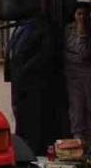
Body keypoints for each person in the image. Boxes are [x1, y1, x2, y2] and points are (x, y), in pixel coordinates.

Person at [5, 14, 64, 153]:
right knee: (20, 117)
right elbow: (13, 52)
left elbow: (45, 54)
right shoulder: (19, 27)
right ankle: (23, 148)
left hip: (35, 83)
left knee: (34, 119)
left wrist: (25, 70)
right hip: (18, 82)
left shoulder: (43, 27)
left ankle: (34, 150)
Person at [63, 2, 91, 142]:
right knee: (77, 105)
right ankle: (78, 136)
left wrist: (83, 32)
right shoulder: (69, 29)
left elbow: (84, 52)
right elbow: (74, 51)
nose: (82, 17)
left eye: (85, 14)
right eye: (79, 14)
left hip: (87, 71)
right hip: (73, 72)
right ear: (74, 15)